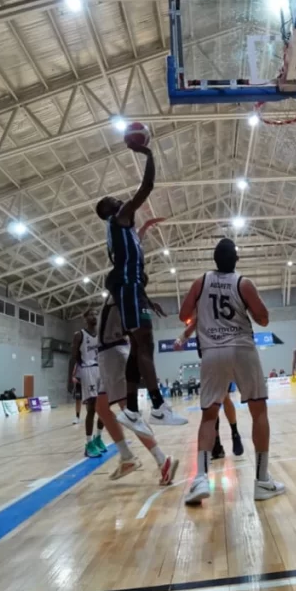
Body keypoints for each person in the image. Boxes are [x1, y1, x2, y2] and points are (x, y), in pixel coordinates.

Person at [179, 238, 285, 505]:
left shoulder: (200, 282)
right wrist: (250, 312)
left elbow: (183, 315)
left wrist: (203, 312)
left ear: (214, 260)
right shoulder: (243, 283)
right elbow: (264, 318)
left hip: (212, 351)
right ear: (236, 259)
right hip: (241, 348)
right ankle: (262, 480)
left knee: (208, 416)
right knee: (258, 411)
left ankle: (200, 478)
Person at [95, 141, 186, 426]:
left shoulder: (125, 231)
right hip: (128, 290)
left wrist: (145, 228)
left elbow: (135, 244)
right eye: (113, 199)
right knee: (145, 344)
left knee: (138, 348)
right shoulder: (119, 218)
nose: (119, 199)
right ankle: (158, 406)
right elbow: (147, 187)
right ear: (109, 210)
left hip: (133, 291)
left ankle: (132, 409)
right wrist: (148, 154)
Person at [96, 289, 179, 483]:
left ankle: (162, 460)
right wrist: (148, 301)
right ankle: (126, 457)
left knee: (129, 413)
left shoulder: (123, 290)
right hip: (109, 354)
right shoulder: (125, 292)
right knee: (101, 407)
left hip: (113, 354)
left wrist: (146, 302)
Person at [175, 320, 244, 458]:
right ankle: (217, 442)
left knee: (223, 398)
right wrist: (181, 338)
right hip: (207, 359)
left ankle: (234, 433)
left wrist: (180, 339)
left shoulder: (207, 313)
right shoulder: (198, 317)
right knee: (212, 403)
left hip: (222, 355)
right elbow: (190, 325)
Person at [68, 309, 106, 458]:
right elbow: (73, 357)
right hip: (88, 370)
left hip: (100, 370)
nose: (94, 316)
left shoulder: (100, 335)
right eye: (90, 314)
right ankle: (89, 444)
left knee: (104, 407)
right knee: (92, 408)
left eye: (95, 314)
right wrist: (70, 377)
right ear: (84, 318)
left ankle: (98, 438)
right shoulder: (79, 335)